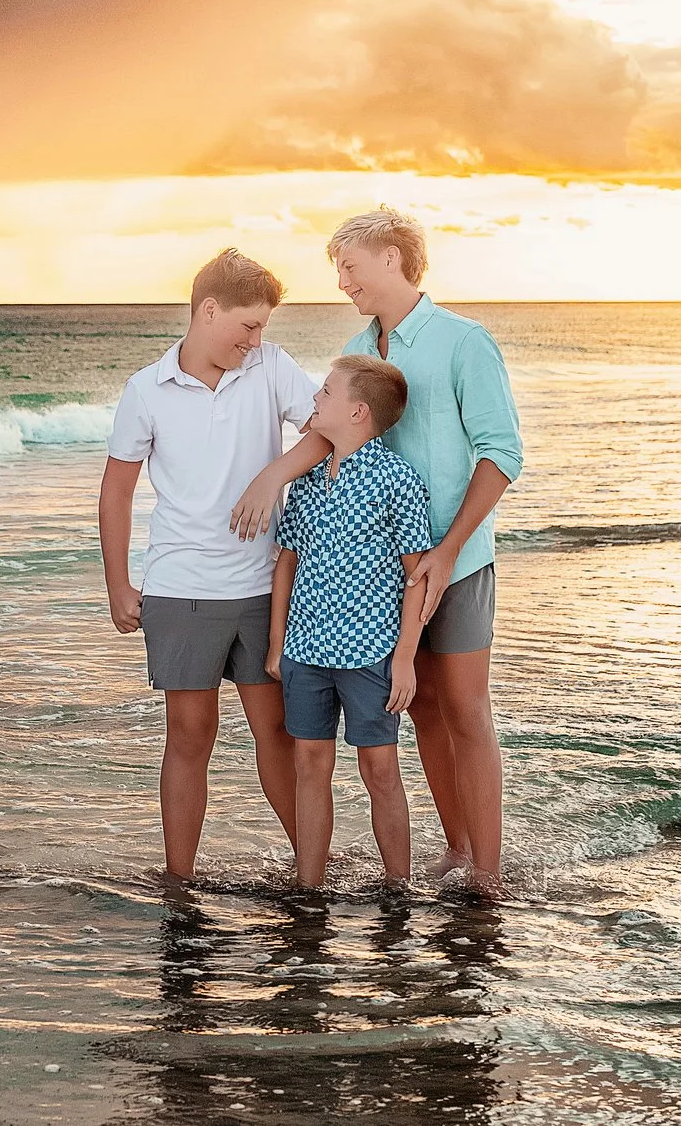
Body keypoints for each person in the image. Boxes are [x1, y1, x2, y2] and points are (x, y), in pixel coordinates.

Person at [236, 208, 522, 892]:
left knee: (465, 706)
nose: (342, 280)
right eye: (338, 269)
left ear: (391, 258)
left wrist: (449, 549)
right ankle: (454, 848)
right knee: (417, 707)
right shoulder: (361, 347)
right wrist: (277, 472)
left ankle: (487, 870)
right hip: (381, 575)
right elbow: (330, 433)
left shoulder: (462, 342)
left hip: (454, 560)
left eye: (350, 265)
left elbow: (502, 453)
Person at [100, 248, 313, 880]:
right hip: (181, 587)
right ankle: (179, 882)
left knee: (274, 733)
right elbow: (116, 490)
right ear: (208, 311)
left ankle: (311, 869)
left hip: (261, 586)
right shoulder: (146, 389)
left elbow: (330, 428)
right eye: (248, 326)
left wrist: (274, 475)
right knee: (190, 736)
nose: (255, 340)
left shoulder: (271, 367)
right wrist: (118, 582)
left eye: (263, 329)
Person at [263, 355, 434, 890]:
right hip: (306, 650)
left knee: (379, 771)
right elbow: (286, 561)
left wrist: (404, 659)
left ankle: (398, 890)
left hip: (372, 653)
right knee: (309, 767)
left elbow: (417, 578)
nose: (316, 398)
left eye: (327, 393)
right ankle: (308, 888)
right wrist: (277, 644)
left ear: (358, 412)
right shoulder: (308, 480)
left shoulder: (397, 480)